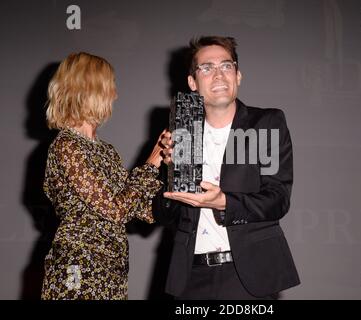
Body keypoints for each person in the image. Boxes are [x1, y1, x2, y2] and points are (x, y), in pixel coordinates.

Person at [155, 36, 300, 299]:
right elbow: (166, 216)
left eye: (226, 66)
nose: (219, 75)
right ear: (192, 82)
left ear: (238, 75)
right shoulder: (183, 130)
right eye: (207, 68)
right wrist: (170, 174)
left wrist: (224, 202)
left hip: (246, 275)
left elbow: (277, 199)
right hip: (190, 276)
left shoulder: (264, 124)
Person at [41, 52, 164, 300]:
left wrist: (172, 168)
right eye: (111, 86)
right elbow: (116, 209)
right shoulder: (66, 145)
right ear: (92, 89)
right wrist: (151, 164)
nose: (115, 95)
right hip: (77, 266)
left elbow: (140, 209)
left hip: (111, 270)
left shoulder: (105, 150)